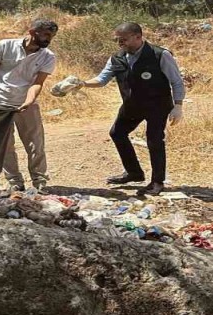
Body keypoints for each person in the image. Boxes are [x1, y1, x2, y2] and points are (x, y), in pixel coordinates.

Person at [65, 22, 186, 197]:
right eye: (118, 40)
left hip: (157, 106)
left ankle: (157, 182)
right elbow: (102, 80)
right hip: (132, 105)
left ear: (138, 37)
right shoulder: (117, 57)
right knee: (117, 133)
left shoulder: (160, 55)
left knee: (154, 140)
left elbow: (176, 81)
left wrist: (178, 105)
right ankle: (134, 173)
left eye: (124, 40)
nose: (121, 44)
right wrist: (82, 84)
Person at [0, 18, 58, 193]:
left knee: (35, 143)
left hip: (27, 104)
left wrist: (29, 101)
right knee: (5, 145)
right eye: (45, 34)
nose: (49, 39)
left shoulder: (48, 56)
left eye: (51, 35)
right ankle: (15, 181)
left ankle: (39, 181)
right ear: (32, 32)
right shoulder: (5, 46)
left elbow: (38, 82)